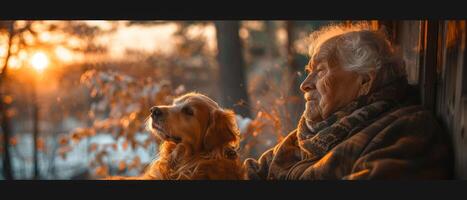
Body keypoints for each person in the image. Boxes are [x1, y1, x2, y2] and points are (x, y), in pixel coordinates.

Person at [243, 23, 453, 180]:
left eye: (321, 70)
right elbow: (245, 175)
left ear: (365, 80)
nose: (305, 84)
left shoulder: (407, 129)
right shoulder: (303, 139)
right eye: (308, 71)